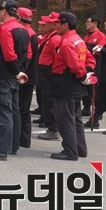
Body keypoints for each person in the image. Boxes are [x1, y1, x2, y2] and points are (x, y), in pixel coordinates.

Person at [0, 0, 29, 161]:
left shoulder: (6, 29)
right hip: (13, 76)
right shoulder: (22, 29)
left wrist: (16, 72)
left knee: (2, 112)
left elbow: (9, 55)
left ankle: (1, 149)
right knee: (13, 111)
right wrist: (19, 72)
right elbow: (25, 53)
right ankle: (11, 144)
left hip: (3, 75)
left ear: (4, 11)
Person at [50, 12, 97, 161]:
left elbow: (75, 65)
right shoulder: (78, 40)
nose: (56, 25)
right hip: (74, 84)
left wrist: (83, 76)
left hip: (66, 83)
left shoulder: (67, 42)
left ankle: (70, 151)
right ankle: (80, 148)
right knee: (75, 118)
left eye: (58, 23)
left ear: (66, 25)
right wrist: (87, 72)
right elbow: (90, 59)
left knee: (65, 119)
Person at [36, 12, 62, 141]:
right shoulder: (49, 37)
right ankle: (51, 127)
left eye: (48, 22)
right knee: (45, 101)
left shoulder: (56, 39)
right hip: (44, 73)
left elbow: (57, 59)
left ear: (55, 25)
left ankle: (54, 129)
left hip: (49, 73)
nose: (44, 24)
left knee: (49, 103)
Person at [16, 7, 38, 149]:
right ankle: (23, 138)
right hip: (29, 75)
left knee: (22, 108)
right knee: (23, 108)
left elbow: (26, 57)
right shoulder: (32, 33)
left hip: (25, 76)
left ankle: (23, 138)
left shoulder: (26, 33)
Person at [81, 15, 106, 116]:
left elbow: (98, 50)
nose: (86, 24)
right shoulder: (87, 36)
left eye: (88, 22)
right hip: (86, 63)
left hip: (95, 63)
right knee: (85, 84)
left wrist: (88, 47)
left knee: (93, 86)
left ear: (95, 23)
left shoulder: (101, 36)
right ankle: (86, 106)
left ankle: (94, 109)